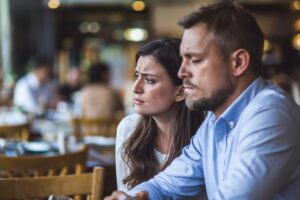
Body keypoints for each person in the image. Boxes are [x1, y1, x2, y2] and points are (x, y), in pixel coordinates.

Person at [105, 1, 300, 199]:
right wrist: (131, 197)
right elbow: (167, 183)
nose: (182, 72)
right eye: (183, 59)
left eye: (195, 60)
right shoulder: (214, 122)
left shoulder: (270, 116)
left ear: (238, 63)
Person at [115, 38, 205, 194]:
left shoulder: (205, 134)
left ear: (181, 91)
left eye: (149, 80)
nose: (136, 88)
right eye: (137, 76)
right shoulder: (128, 128)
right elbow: (126, 194)